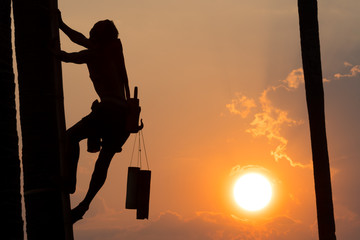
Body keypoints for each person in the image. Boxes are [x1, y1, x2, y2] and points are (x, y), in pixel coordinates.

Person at [55, 11, 131, 223]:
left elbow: (70, 55)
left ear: (100, 37)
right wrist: (61, 25)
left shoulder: (96, 54)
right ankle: (84, 205)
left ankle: (70, 182)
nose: (90, 35)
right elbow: (80, 40)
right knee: (103, 162)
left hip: (108, 111)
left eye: (93, 33)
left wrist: (55, 50)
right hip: (123, 117)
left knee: (70, 137)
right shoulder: (113, 52)